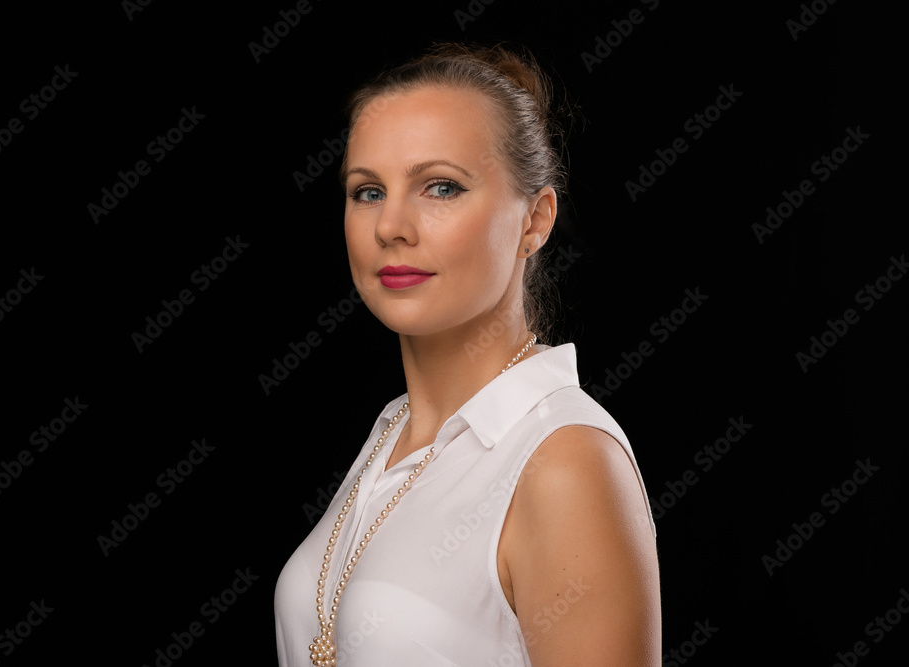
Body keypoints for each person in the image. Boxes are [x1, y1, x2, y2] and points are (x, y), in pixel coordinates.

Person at [275, 42, 661, 666]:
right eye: (367, 191)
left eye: (441, 187)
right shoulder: (391, 433)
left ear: (535, 220)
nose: (390, 227)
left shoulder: (564, 460)